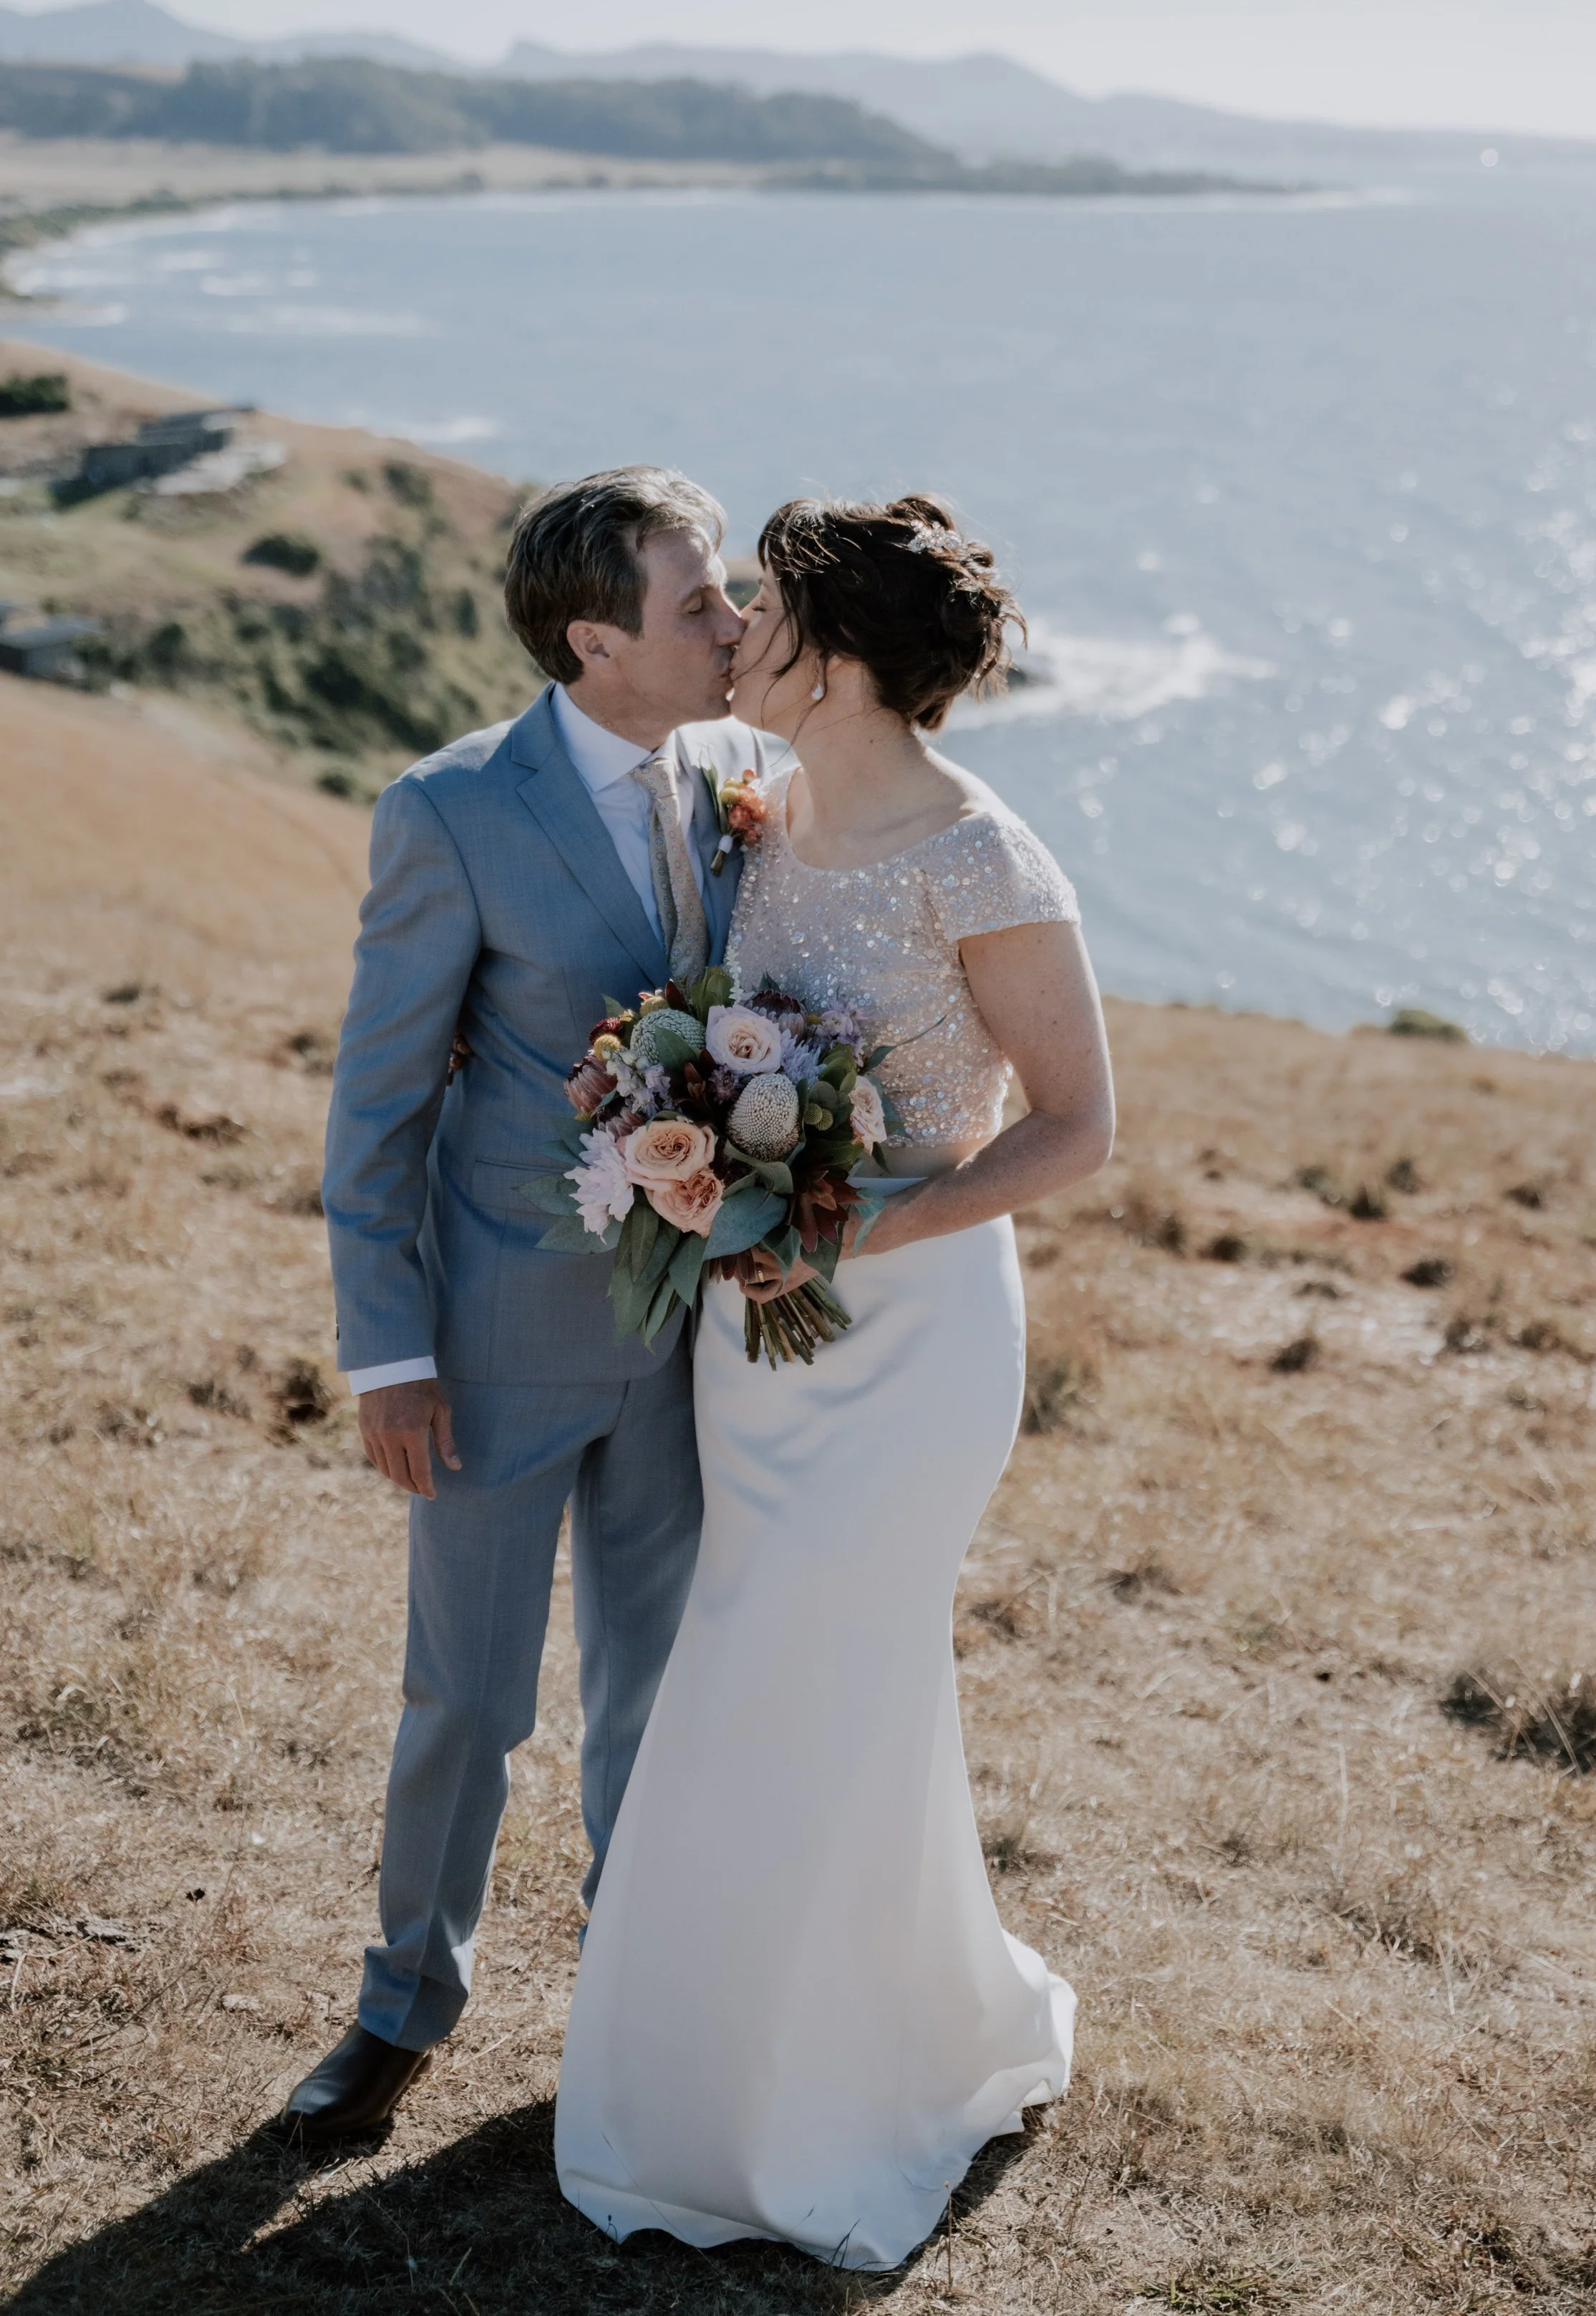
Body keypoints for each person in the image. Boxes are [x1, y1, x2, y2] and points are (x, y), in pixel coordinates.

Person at [555, 493, 1116, 2269]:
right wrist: (690, 1157)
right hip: (753, 1329)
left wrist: (858, 1238)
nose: (733, 638)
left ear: (845, 657)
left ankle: (826, 2097)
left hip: (913, 1333)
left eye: (765, 614)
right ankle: (718, 2076)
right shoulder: (759, 807)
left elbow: (1081, 1131)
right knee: (756, 1669)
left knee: (831, 1676)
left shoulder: (983, 857)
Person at [284, 466, 775, 2143]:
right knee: (470, 1703)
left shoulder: (734, 779)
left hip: (681, 1341)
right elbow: (378, 1104)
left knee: (652, 1693)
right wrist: (392, 1357)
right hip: (492, 1339)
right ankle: (400, 2008)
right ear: (594, 640)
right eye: (702, 601)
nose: (736, 622)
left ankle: (628, 2014)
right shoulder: (452, 811)